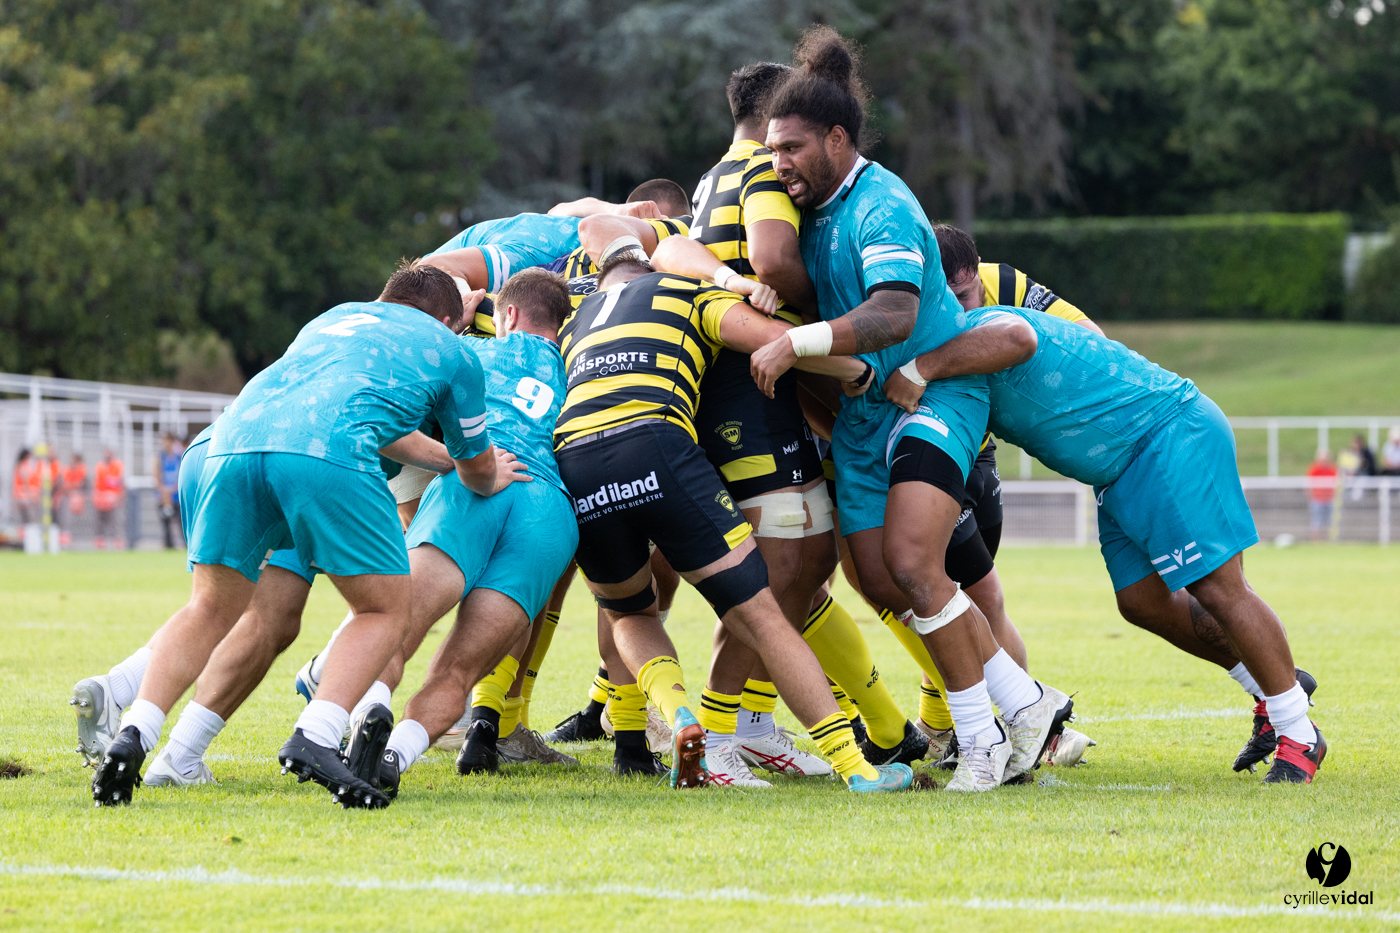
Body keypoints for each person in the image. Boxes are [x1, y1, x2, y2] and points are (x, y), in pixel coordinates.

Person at [748, 27, 1074, 792]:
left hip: (935, 395)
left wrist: (793, 343)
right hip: (864, 418)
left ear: (836, 137)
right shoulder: (817, 214)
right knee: (881, 580)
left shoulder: (883, 202)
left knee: (913, 563)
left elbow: (893, 313)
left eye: (791, 148)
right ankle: (1026, 701)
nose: (779, 164)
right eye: (770, 151)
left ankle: (981, 742)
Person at [89, 260, 525, 809]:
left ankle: (137, 732)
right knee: (385, 609)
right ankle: (316, 735)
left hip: (227, 445)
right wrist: (488, 472)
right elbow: (477, 468)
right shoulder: (452, 349)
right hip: (324, 456)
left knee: (210, 609)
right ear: (446, 318)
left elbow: (359, 407)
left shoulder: (333, 318)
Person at [883, 302, 1328, 785]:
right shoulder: (956, 338)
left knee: (1220, 587)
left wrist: (917, 367)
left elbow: (1017, 337)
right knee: (1140, 601)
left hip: (1166, 434)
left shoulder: (976, 324)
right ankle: (1271, 686)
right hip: (1119, 470)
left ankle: (1297, 730)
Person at [634, 60, 925, 787]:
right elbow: (769, 256)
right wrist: (822, 311)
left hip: (740, 382)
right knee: (789, 560)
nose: (787, 158)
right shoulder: (763, 170)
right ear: (772, 119)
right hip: (751, 388)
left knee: (805, 558)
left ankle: (754, 720)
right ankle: (723, 727)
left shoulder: (710, 179)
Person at [553, 251, 910, 792]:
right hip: (654, 443)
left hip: (574, 460)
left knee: (629, 613)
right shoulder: (682, 292)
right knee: (762, 615)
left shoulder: (575, 324)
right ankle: (855, 767)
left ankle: (679, 719)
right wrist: (854, 370)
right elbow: (770, 340)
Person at [154, 433, 184, 550]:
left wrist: (174, 489)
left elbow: (182, 474)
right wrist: (163, 491)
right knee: (166, 524)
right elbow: (156, 476)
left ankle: (186, 546)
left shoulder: (178, 457)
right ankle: (168, 547)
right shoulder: (159, 457)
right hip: (163, 496)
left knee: (181, 523)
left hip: (176, 496)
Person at [92, 449, 125, 549]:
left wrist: (120, 497)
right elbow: (97, 483)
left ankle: (117, 541)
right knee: (100, 523)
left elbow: (120, 482)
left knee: (115, 521)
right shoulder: (99, 466)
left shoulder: (117, 466)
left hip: (113, 499)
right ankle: (100, 542)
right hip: (100, 500)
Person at [1306, 449, 1338, 542]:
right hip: (1317, 500)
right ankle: (1316, 541)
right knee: (1316, 522)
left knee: (1330, 523)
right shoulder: (1314, 469)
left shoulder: (1332, 470)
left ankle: (1329, 541)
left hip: (1329, 500)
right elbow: (1309, 485)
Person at [60, 453, 89, 546]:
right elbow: (65, 484)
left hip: (79, 498)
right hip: (69, 497)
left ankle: (77, 538)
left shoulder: (82, 469)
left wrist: (72, 487)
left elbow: (82, 484)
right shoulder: (68, 469)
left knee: (78, 519)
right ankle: (66, 536)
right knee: (67, 517)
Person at [11, 449, 40, 527]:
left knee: (23, 521)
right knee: (28, 521)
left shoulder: (19, 465)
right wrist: (31, 497)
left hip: (20, 497)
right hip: (24, 498)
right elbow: (25, 483)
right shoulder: (23, 466)